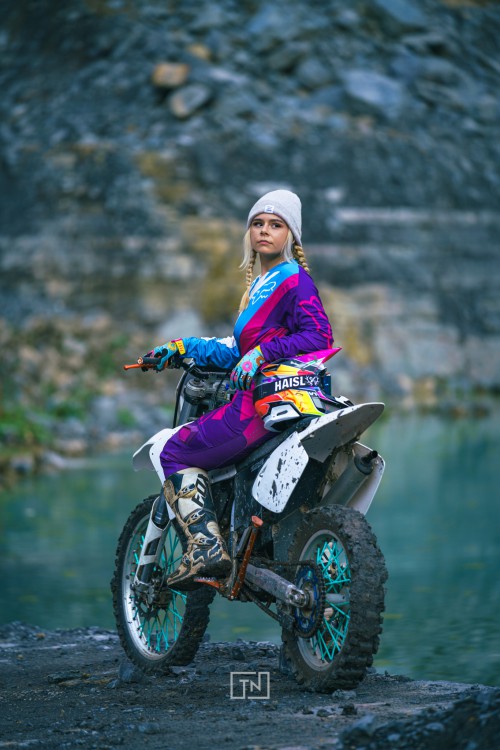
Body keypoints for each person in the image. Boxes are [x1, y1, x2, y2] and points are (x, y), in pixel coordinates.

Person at [141, 189, 334, 590]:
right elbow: (235, 352)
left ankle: (206, 547)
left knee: (174, 451)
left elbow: (319, 336)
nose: (264, 230)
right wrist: (181, 348)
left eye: (276, 225)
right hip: (272, 403)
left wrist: (263, 353)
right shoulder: (262, 285)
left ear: (291, 235)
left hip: (260, 406)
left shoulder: (293, 280)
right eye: (257, 223)